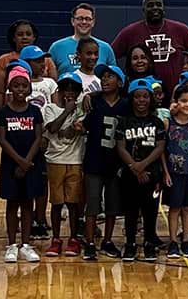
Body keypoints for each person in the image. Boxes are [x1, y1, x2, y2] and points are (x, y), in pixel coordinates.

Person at [0, 68, 46, 263]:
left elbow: (38, 137)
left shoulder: (34, 111)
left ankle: (25, 244)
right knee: (12, 204)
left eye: (24, 86)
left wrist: (27, 162)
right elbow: (2, 139)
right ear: (10, 88)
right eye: (16, 85)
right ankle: (11, 245)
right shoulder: (3, 112)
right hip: (11, 165)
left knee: (27, 204)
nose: (20, 89)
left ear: (29, 89)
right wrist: (19, 161)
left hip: (31, 163)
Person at [81, 65, 129, 260]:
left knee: (112, 206)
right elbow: (83, 125)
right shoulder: (94, 103)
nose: (105, 79)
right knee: (92, 205)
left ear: (119, 82)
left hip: (116, 163)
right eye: (103, 77)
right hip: (94, 161)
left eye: (110, 76)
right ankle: (90, 242)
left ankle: (108, 241)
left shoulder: (126, 105)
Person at [116, 78, 167, 261]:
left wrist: (143, 166)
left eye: (145, 96)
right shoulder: (124, 122)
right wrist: (134, 167)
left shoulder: (157, 122)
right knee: (130, 209)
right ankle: (130, 242)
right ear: (132, 99)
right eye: (137, 97)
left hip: (152, 174)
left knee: (150, 210)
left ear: (151, 99)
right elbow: (120, 147)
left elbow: (160, 147)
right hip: (130, 173)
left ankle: (149, 242)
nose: (141, 100)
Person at [112, 0, 188, 91]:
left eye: (158, 5)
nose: (155, 8)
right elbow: (110, 56)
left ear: (163, 8)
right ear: (143, 10)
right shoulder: (130, 32)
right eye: (150, 5)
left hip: (176, 94)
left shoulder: (181, 29)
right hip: (143, 96)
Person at [42, 73, 87, 258]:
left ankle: (74, 238)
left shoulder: (83, 110)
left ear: (78, 93)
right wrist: (67, 111)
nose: (69, 93)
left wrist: (80, 128)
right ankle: (56, 239)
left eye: (73, 90)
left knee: (73, 202)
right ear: (59, 91)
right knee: (57, 202)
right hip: (55, 160)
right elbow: (52, 128)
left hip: (75, 160)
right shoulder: (50, 108)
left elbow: (81, 129)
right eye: (65, 89)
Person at [164, 87, 188, 259]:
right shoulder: (168, 122)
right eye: (184, 101)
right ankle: (172, 241)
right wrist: (166, 173)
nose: (187, 104)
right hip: (173, 172)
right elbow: (162, 151)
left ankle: (186, 240)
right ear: (176, 102)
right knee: (174, 207)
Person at [0, 20, 57, 107]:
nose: (24, 37)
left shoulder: (47, 59)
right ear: (13, 38)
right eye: (20, 34)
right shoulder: (4, 60)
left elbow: (54, 87)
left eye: (28, 34)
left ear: (34, 37)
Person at [49, 4, 118, 76]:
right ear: (72, 21)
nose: (84, 22)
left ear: (93, 22)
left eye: (88, 19)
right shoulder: (56, 47)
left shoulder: (105, 48)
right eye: (80, 18)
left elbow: (113, 76)